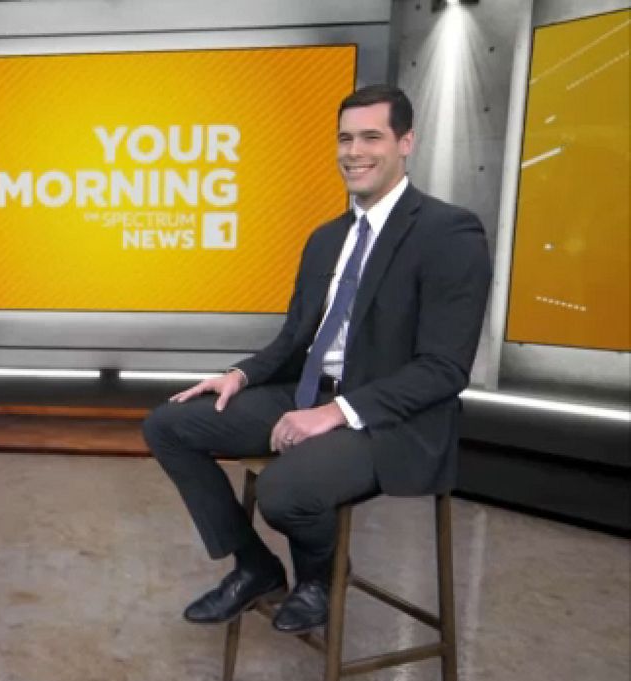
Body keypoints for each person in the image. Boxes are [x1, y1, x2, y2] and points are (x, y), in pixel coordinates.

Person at [142, 85, 492, 634]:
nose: (354, 152)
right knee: (168, 425)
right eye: (345, 139)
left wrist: (335, 413)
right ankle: (256, 567)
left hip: (391, 420)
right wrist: (240, 375)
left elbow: (444, 369)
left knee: (285, 492)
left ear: (406, 142)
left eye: (371, 137)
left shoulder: (449, 232)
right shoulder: (327, 238)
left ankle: (321, 578)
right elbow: (295, 339)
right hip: (313, 391)